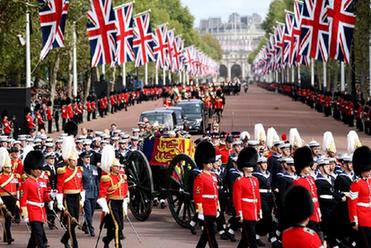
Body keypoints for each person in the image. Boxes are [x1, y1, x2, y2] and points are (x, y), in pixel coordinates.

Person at [20, 150, 55, 248]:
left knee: (34, 237)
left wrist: (51, 197)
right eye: (37, 169)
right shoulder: (26, 182)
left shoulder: (42, 181)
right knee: (39, 236)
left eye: (40, 168)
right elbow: (23, 200)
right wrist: (25, 215)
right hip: (32, 211)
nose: (40, 171)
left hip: (41, 211)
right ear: (31, 170)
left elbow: (44, 196)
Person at [97, 145, 128, 248]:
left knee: (120, 226)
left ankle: (106, 240)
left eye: (119, 167)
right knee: (117, 225)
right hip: (112, 203)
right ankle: (118, 245)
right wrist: (104, 206)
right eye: (116, 167)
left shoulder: (122, 177)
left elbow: (124, 191)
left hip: (120, 203)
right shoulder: (107, 178)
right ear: (111, 167)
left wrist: (125, 203)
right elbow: (102, 194)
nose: (118, 168)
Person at [56, 137, 84, 248]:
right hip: (68, 198)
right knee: (71, 221)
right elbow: (59, 186)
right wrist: (59, 202)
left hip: (77, 197)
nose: (75, 162)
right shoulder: (63, 171)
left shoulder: (79, 170)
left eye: (76, 160)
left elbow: (80, 185)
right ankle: (74, 245)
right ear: (68, 161)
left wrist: (82, 198)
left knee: (75, 221)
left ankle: (64, 239)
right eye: (73, 160)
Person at [233, 147, 261, 248]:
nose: (251, 167)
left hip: (253, 212)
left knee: (245, 239)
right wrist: (239, 213)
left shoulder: (255, 180)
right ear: (244, 167)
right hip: (245, 212)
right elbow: (237, 198)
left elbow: (257, 197)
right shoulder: (239, 181)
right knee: (252, 239)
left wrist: (259, 210)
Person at [193, 141, 219, 248]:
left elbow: (215, 193)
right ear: (204, 163)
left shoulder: (213, 176)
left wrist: (217, 208)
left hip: (212, 207)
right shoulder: (200, 177)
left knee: (205, 235)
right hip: (205, 208)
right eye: (209, 163)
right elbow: (197, 195)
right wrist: (200, 211)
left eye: (211, 163)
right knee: (211, 234)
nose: (211, 164)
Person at [292, 146, 321, 234]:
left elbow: (315, 196)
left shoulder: (311, 179)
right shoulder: (297, 181)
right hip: (308, 214)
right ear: (301, 166)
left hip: (315, 212)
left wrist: (319, 211)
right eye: (307, 165)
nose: (309, 167)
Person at [348, 146, 371, 247]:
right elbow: (352, 203)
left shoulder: (370, 181)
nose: (369, 171)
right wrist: (354, 221)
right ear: (362, 168)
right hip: (362, 218)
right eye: (368, 169)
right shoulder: (356, 184)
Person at [0, 148, 20, 244]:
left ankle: (6, 236)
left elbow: (17, 188)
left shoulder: (14, 176)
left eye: (10, 167)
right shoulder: (0, 177)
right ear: (4, 168)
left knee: (9, 219)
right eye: (7, 167)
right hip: (3, 199)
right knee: (7, 217)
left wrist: (18, 199)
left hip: (12, 198)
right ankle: (8, 237)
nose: (9, 169)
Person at [81, 153, 99, 236]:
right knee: (88, 212)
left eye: (89, 157)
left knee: (91, 212)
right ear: (82, 159)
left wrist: (98, 192)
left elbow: (96, 181)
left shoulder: (93, 167)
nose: (88, 159)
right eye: (86, 157)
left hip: (94, 192)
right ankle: (91, 229)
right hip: (85, 193)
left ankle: (85, 225)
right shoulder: (80, 169)